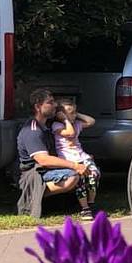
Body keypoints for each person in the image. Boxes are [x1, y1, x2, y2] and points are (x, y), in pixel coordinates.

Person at [16, 89, 92, 220]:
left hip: (47, 170)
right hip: (33, 173)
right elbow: (43, 160)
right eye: (50, 102)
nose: (55, 105)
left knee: (87, 170)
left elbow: (89, 122)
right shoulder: (32, 130)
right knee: (72, 176)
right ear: (38, 107)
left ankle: (86, 205)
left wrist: (71, 113)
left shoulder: (48, 125)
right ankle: (32, 195)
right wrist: (75, 165)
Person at [52, 98, 100, 214]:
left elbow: (91, 121)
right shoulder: (56, 125)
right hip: (68, 159)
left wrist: (76, 114)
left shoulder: (77, 124)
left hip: (82, 156)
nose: (73, 115)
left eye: (74, 112)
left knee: (94, 174)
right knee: (81, 180)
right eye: (70, 112)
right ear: (60, 114)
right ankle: (84, 208)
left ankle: (91, 202)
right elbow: (70, 133)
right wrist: (65, 119)